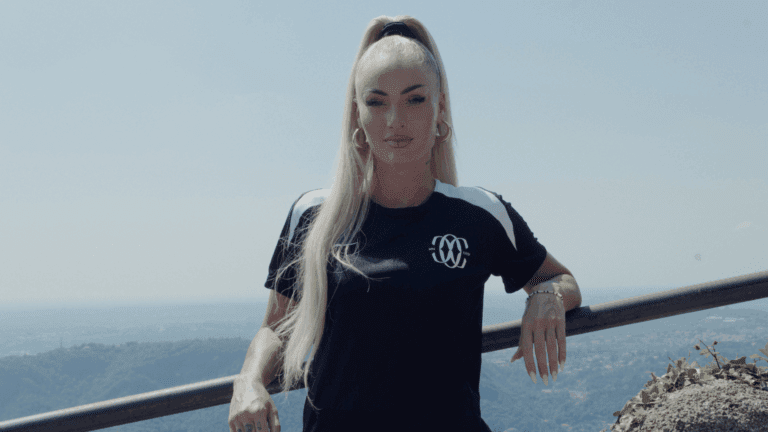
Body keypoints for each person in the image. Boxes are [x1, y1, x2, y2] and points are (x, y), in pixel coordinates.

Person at [228, 15, 582, 432]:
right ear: (357, 114)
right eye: (377, 102)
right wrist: (248, 380)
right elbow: (276, 330)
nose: (395, 120)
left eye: (414, 99)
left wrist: (545, 295)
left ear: (440, 107)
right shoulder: (313, 215)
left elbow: (558, 279)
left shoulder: (479, 214)